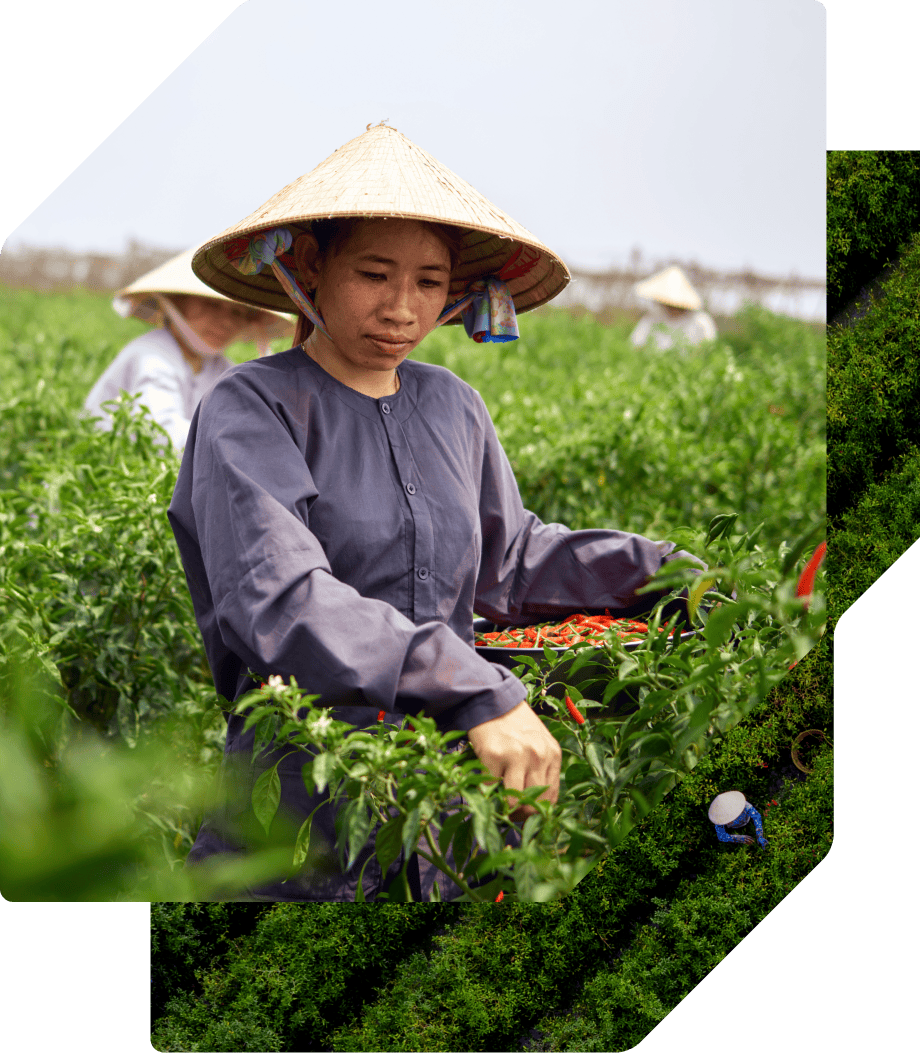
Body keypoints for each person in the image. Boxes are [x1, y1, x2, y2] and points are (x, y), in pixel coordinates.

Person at [169, 123, 703, 901]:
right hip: (302, 804)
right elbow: (280, 601)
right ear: (314, 266)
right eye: (374, 273)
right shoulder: (249, 408)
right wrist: (473, 686)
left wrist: (664, 571)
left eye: (427, 282)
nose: (401, 308)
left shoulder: (453, 405)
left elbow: (509, 560)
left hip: (447, 806)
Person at [83, 248, 293, 450]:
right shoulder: (152, 357)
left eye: (239, 313)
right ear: (178, 301)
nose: (226, 322)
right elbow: (160, 437)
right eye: (212, 304)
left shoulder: (220, 368)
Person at [630, 264, 717, 349]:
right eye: (668, 304)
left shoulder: (700, 321)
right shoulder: (652, 318)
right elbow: (636, 344)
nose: (672, 308)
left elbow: (710, 348)